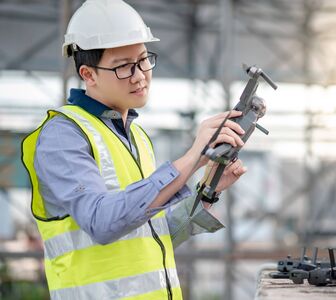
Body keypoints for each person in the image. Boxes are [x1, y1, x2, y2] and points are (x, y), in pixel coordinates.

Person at [21, 0, 247, 299]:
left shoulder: (137, 136)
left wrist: (207, 189)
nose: (140, 75)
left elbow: (152, 236)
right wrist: (193, 158)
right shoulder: (63, 136)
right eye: (124, 67)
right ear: (88, 74)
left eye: (143, 60)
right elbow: (103, 223)